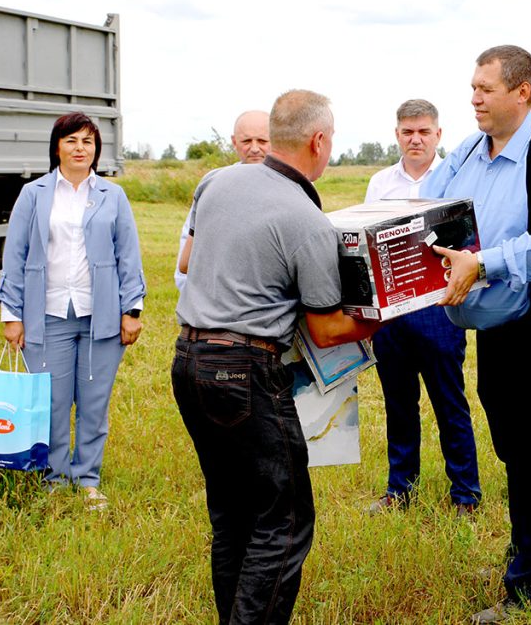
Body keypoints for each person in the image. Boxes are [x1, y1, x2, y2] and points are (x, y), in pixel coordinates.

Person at [171, 90, 380, 625]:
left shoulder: (216, 182)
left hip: (188, 360)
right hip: (244, 373)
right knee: (283, 522)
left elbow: (191, 259)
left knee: (232, 515)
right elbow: (327, 329)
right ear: (319, 141)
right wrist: (390, 311)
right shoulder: (305, 217)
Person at [421, 45, 531, 622]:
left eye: (485, 89)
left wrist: (484, 263)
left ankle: (530, 591)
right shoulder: (469, 150)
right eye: (472, 87)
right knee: (513, 449)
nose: (474, 98)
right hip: (494, 330)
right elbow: (429, 209)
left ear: (522, 92)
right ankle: (526, 555)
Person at [0, 111, 145, 510]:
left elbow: (128, 255)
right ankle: (56, 479)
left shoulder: (113, 195)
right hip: (46, 316)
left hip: (101, 318)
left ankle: (87, 479)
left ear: (96, 149)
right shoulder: (34, 194)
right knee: (53, 404)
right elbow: (15, 256)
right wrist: (12, 315)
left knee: (94, 405)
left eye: (88, 141)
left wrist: (131, 310)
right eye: (71, 141)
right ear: (57, 147)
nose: (80, 149)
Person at [363, 99, 481, 517]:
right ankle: (400, 490)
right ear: (397, 134)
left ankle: (465, 494)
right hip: (391, 313)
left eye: (424, 131)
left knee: (449, 402)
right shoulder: (380, 183)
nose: (416, 139)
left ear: (438, 135)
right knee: (398, 403)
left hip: (438, 306)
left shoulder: (456, 179)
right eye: (408, 132)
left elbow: (468, 243)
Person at [174, 110, 270, 289]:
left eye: (262, 141)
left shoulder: (294, 187)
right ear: (234, 142)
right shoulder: (213, 185)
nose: (255, 148)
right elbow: (186, 261)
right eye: (246, 141)